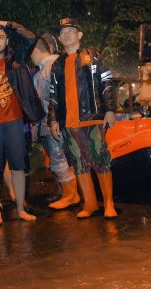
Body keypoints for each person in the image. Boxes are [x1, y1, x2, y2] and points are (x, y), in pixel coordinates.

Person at [47, 18, 117, 219]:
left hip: (92, 118)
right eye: (62, 32)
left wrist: (109, 109)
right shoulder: (57, 64)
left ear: (80, 35)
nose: (65, 35)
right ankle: (90, 204)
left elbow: (107, 82)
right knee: (78, 163)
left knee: (100, 159)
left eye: (70, 30)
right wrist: (53, 120)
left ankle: (109, 203)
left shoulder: (92, 56)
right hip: (68, 123)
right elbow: (52, 94)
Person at [0, 20, 44, 227]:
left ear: (7, 40)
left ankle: (20, 209)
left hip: (15, 123)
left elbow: (30, 37)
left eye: (1, 37)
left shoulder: (15, 61)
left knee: (18, 166)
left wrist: (7, 24)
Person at [30, 33, 78, 210]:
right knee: (62, 158)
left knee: (59, 158)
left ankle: (70, 195)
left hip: (54, 122)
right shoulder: (48, 67)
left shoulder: (50, 67)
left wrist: (49, 120)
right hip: (55, 121)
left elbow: (51, 99)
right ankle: (71, 194)